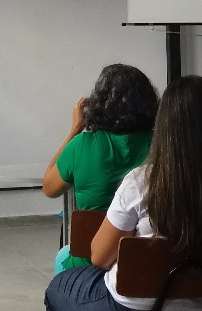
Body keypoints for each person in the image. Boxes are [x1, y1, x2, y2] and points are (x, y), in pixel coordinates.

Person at [44, 75, 202, 311]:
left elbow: (99, 258)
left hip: (136, 304)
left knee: (58, 287)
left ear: (163, 122)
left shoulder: (140, 181)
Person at [42, 63, 159, 272]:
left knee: (62, 256)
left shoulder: (81, 145)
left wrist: (75, 129)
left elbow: (50, 188)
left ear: (98, 103)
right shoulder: (163, 146)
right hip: (146, 264)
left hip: (90, 264)